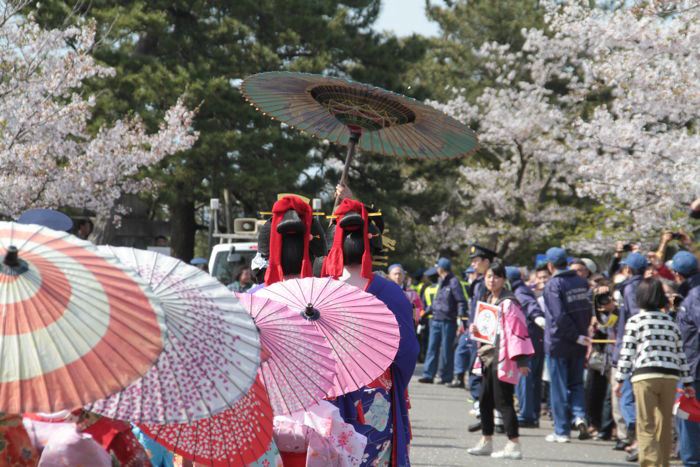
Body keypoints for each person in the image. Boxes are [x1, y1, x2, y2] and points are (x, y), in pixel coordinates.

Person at [322, 196, 418, 466]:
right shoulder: (390, 293)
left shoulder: (318, 290)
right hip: (374, 393)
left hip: (328, 394)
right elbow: (408, 352)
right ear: (372, 244)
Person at [614, 278, 695, 467]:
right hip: (670, 377)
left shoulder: (636, 321)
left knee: (646, 424)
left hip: (645, 376)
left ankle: (650, 464)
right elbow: (680, 353)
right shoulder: (670, 322)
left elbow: (627, 353)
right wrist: (688, 383)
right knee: (664, 423)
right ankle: (663, 463)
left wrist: (619, 379)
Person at [467, 260, 534, 459]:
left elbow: (518, 331)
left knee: (503, 400)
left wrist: (521, 360)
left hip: (503, 357)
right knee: (484, 400)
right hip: (487, 356)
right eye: (489, 276)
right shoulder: (488, 298)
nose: (492, 280)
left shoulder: (509, 302)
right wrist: (475, 329)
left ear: (503, 279)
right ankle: (486, 440)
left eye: (496, 276)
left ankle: (514, 443)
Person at [542, 247, 592, 443]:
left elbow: (559, 316)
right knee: (577, 383)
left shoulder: (553, 285)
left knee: (559, 387)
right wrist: (580, 335)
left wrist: (573, 336)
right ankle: (580, 416)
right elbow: (588, 310)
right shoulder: (582, 282)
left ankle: (561, 430)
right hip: (579, 340)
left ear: (550, 265)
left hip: (559, 343)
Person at [612, 251, 649, 460]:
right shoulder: (650, 285)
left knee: (626, 395)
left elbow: (633, 318)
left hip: (630, 346)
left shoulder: (628, 288)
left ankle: (636, 437)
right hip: (649, 350)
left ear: (628, 269)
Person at [670, 251, 700, 465]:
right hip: (691, 365)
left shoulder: (695, 295)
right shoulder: (690, 293)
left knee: (688, 418)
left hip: (694, 368)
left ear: (677, 274)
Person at [507, 266, 546, 429]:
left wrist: (538, 317)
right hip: (535, 340)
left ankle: (526, 414)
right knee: (533, 380)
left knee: (524, 379)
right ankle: (533, 414)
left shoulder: (519, 292)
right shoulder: (523, 289)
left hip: (525, 341)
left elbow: (531, 307)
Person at [419, 256, 467, 385]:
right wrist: (426, 312)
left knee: (446, 349)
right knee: (432, 348)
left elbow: (460, 301)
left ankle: (446, 376)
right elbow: (437, 300)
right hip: (435, 318)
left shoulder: (454, 282)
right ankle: (428, 374)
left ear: (441, 269)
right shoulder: (441, 281)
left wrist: (460, 318)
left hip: (448, 320)